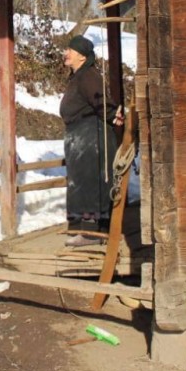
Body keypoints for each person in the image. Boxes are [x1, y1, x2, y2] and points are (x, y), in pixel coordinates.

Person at [59, 35, 123, 247]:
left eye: (71, 50)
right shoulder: (79, 76)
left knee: (89, 182)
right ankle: (81, 229)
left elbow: (102, 102)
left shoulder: (89, 76)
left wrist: (114, 115)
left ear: (82, 56)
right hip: (81, 137)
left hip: (90, 138)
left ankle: (92, 233)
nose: (66, 54)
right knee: (80, 182)